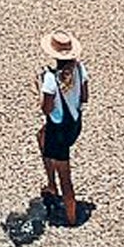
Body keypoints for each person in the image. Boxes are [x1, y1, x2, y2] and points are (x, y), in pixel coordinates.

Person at [37, 30, 90, 227]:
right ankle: (51, 185)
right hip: (74, 126)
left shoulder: (50, 79)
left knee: (65, 177)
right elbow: (85, 97)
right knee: (41, 136)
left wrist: (40, 91)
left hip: (58, 131)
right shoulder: (80, 68)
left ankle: (71, 219)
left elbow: (46, 108)